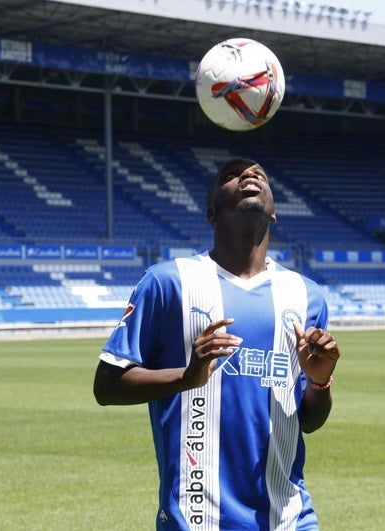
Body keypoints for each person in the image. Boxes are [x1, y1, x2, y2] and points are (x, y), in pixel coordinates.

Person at [93, 157, 340, 530]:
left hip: (289, 519)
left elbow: (308, 421)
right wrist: (187, 377)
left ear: (274, 213)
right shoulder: (168, 282)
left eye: (259, 174)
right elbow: (106, 387)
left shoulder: (307, 295)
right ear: (211, 212)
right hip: (196, 519)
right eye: (231, 175)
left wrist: (318, 382)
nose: (249, 176)